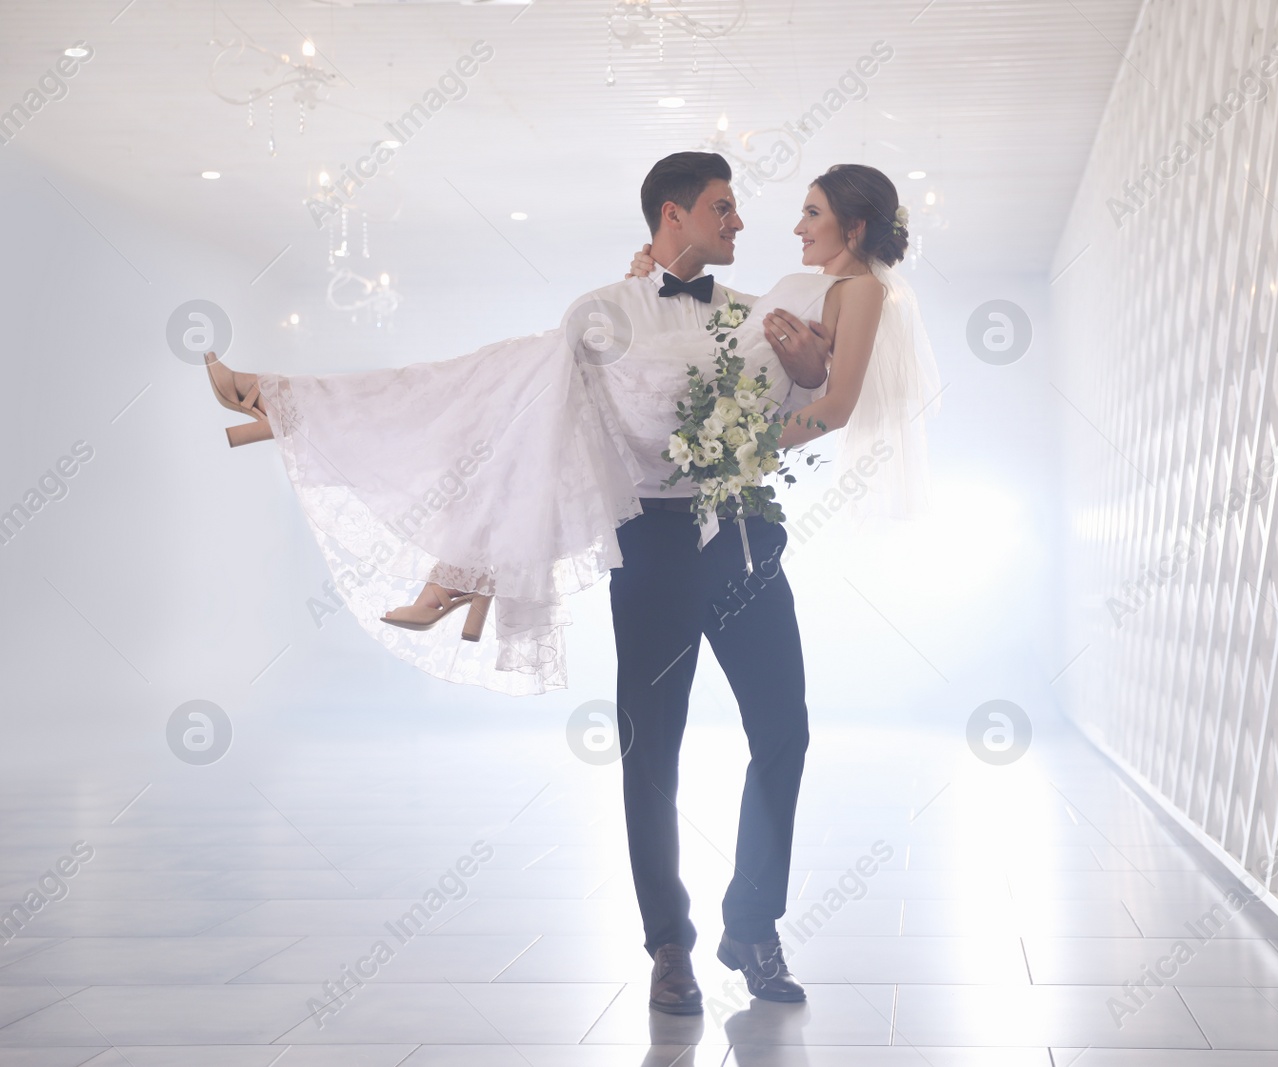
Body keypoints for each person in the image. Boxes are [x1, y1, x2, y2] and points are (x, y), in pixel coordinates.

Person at [201, 153, 941, 1013]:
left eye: (758, 210)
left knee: (785, 731)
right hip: (654, 539)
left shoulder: (759, 305)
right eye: (723, 208)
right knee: (649, 744)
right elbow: (537, 422)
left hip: (741, 533)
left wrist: (807, 375)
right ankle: (670, 944)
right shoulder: (601, 312)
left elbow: (812, 388)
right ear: (672, 215)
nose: (748, 223)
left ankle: (754, 924)